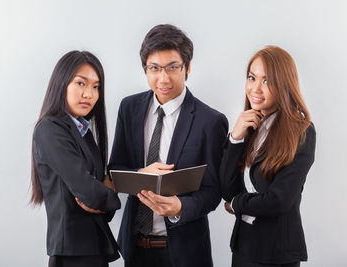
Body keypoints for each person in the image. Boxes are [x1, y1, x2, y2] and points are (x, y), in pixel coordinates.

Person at [108, 24, 228, 267]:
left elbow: (214, 191)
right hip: (135, 248)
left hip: (185, 254)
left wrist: (180, 207)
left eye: (173, 67)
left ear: (188, 67)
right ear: (145, 69)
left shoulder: (210, 121)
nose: (163, 78)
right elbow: (116, 170)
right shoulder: (129, 109)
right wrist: (142, 174)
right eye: (154, 68)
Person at [220, 46, 316, 267]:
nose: (256, 88)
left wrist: (237, 204)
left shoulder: (301, 131)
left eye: (267, 81)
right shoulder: (250, 127)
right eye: (252, 78)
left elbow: (278, 201)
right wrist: (235, 138)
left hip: (276, 253)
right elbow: (226, 189)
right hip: (244, 246)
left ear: (284, 85)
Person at [30, 50, 121, 267]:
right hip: (72, 252)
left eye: (96, 86)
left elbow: (99, 203)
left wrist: (102, 196)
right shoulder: (49, 129)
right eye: (81, 83)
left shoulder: (83, 131)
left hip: (94, 247)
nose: (89, 94)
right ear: (62, 83)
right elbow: (90, 192)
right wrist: (107, 193)